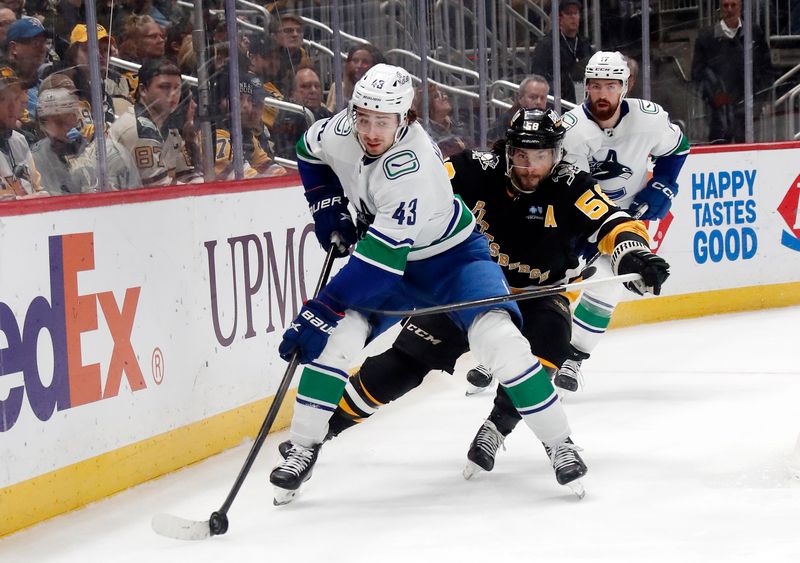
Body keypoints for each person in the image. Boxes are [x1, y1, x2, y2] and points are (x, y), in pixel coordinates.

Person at [276, 107, 668, 485]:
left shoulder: (572, 185)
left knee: (540, 347)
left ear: (558, 154)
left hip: (537, 295)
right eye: (520, 154)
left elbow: (615, 223)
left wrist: (636, 254)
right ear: (506, 150)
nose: (529, 166)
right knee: (404, 362)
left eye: (541, 156)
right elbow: (419, 189)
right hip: (460, 288)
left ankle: (507, 431)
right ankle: (325, 430)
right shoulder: (471, 168)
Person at [269, 64, 588, 505]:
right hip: (393, 262)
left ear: (406, 118)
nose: (371, 131)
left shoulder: (412, 168)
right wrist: (326, 208)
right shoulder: (342, 128)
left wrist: (320, 310)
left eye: (384, 121)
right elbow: (307, 151)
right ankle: (303, 449)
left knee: (501, 342)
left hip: (452, 262)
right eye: (364, 118)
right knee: (336, 343)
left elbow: (379, 267)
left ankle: (560, 443)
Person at [31, 86, 142, 194]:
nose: (68, 125)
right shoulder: (36, 158)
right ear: (43, 125)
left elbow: (135, 194)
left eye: (71, 115)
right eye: (59, 122)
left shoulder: (110, 151)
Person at [690, 0, 773, 143]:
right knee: (719, 149)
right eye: (725, 5)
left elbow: (765, 69)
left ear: (740, 7)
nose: (729, 9)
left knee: (748, 150)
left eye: (733, 5)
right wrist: (714, 95)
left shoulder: (754, 32)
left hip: (748, 108)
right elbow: (697, 73)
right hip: (718, 111)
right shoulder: (706, 37)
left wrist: (761, 99)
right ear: (720, 8)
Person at [110, 58, 200, 186]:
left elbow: (187, 176)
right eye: (164, 87)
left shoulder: (169, 129)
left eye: (177, 87)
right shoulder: (139, 129)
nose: (173, 93)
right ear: (143, 90)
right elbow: (158, 190)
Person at [214, 72, 286, 179]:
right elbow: (241, 177)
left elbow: (268, 166)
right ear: (222, 102)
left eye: (249, 100)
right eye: (239, 98)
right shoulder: (217, 134)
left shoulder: (247, 134)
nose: (246, 105)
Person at [529, 0, 594, 105]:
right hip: (559, 102)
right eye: (568, 13)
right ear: (559, 18)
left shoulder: (584, 43)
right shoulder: (547, 45)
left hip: (584, 99)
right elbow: (538, 76)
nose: (573, 17)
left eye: (576, 13)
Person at [0, 64, 47, 199]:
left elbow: (39, 189)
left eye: (15, 99)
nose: (12, 107)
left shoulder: (19, 140)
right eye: (3, 100)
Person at [271, 66, 332, 159]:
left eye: (317, 86)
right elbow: (288, 155)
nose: (313, 90)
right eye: (306, 86)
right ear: (292, 93)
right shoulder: (286, 118)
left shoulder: (327, 115)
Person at [5, 16, 48, 116]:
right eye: (35, 43)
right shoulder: (3, 89)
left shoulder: (44, 87)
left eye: (44, 42)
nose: (43, 49)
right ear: (14, 48)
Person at [324, 43, 385, 112]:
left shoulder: (383, 90)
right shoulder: (338, 87)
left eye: (365, 62)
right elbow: (330, 114)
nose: (359, 65)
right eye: (355, 61)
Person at [488, 74, 550, 142]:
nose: (538, 102)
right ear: (520, 98)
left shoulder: (550, 123)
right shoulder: (505, 121)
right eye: (533, 97)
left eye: (543, 98)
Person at [417, 83, 471, 158]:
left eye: (443, 94)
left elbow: (470, 145)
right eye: (436, 96)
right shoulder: (423, 129)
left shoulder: (456, 124)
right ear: (427, 105)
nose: (445, 97)